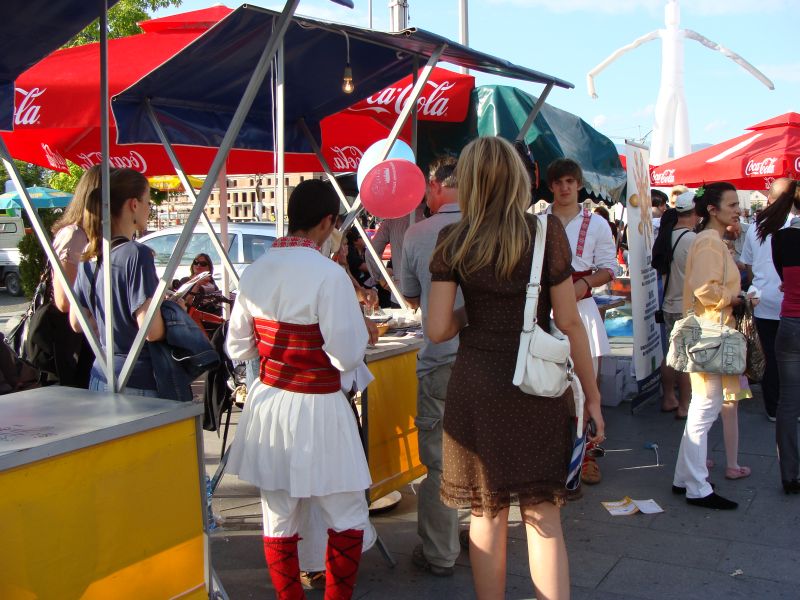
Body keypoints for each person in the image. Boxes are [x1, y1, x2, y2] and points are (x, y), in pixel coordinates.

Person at [427, 137, 604, 600]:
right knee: (543, 514)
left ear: (469, 182)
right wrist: (593, 396)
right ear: (517, 180)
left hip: (477, 385)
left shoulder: (454, 239)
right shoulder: (546, 233)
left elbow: (438, 329)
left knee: (486, 514)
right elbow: (569, 322)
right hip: (536, 386)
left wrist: (475, 313)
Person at [225, 179, 376, 599]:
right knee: (346, 513)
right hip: (320, 407)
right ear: (327, 221)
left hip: (270, 404)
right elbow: (346, 355)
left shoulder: (255, 270)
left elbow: (237, 346)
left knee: (278, 517)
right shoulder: (329, 275)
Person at [400, 155, 462, 577]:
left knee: (440, 461)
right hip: (491, 361)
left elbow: (411, 296)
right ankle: (483, 536)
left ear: (435, 186)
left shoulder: (418, 233)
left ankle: (441, 552)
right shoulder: (495, 229)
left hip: (440, 359)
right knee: (483, 455)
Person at [672, 182, 750, 510]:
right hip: (710, 334)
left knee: (703, 409)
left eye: (737, 204)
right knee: (704, 409)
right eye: (731, 205)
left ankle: (685, 478)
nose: (737, 210)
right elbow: (705, 290)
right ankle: (696, 485)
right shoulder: (708, 241)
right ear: (712, 210)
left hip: (711, 333)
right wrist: (736, 298)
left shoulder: (710, 240)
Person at [545, 158, 617, 485]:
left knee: (585, 386)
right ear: (551, 186)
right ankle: (552, 456)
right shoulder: (537, 221)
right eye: (559, 182)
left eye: (570, 182)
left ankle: (585, 455)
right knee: (547, 387)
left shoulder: (597, 223)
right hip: (544, 310)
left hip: (582, 309)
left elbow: (608, 268)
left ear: (578, 185)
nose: (564, 188)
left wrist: (584, 284)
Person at [69, 168, 165, 395]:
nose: (149, 209)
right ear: (134, 204)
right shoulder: (137, 254)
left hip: (100, 373)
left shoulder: (90, 253)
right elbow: (151, 330)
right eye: (148, 202)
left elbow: (77, 322)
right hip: (136, 378)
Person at [757, 180, 800, 494]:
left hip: (789, 325)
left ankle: (789, 475)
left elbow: (786, 278)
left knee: (788, 403)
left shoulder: (779, 238)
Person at [44, 165, 102, 387]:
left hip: (88, 341)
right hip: (73, 342)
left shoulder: (94, 235)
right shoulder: (74, 235)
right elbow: (64, 301)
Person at [741, 178, 793, 421]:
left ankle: (773, 407)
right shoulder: (794, 224)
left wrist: (760, 285)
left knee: (770, 357)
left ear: (769, 198)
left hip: (763, 300)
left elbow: (749, 267)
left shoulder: (756, 227)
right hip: (791, 300)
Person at [659, 191, 698, 418]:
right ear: (695, 212)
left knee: (671, 354)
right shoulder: (692, 240)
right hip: (686, 306)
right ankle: (684, 405)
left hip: (669, 304)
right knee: (685, 359)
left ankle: (668, 397)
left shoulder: (667, 235)